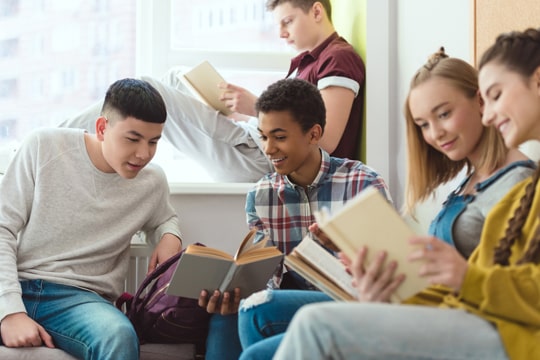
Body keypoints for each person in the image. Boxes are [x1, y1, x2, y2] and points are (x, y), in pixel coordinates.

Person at [236, 48, 536, 359]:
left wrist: (459, 278)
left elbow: (496, 285)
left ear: (481, 102)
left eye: (444, 114)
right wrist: (368, 279)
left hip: (473, 320)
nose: (435, 133)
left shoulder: (517, 186)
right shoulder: (468, 184)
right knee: (255, 330)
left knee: (310, 325)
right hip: (434, 307)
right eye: (423, 124)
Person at [58, 0, 366, 183]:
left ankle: (55, 138)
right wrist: (235, 111)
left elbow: (325, 141)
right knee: (176, 77)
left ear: (315, 11)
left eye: (287, 21)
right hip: (254, 145)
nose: (281, 33)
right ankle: (60, 142)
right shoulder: (307, 63)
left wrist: (255, 107)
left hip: (263, 160)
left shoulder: (337, 58)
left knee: (150, 88)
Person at [196, 77, 388, 360]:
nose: (268, 149)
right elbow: (267, 276)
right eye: (263, 136)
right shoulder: (260, 195)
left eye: (280, 137)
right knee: (226, 316)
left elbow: (389, 267)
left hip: (353, 300)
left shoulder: (363, 183)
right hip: (290, 299)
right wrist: (233, 291)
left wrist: (342, 244)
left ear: (313, 134)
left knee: (259, 308)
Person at [0, 79, 183, 360]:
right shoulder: (44, 146)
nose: (143, 154)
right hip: (19, 281)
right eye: (132, 139)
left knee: (118, 335)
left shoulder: (152, 181)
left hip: (81, 300)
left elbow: (165, 217)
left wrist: (170, 235)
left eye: (153, 142)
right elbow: (3, 227)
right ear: (102, 128)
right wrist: (10, 311)